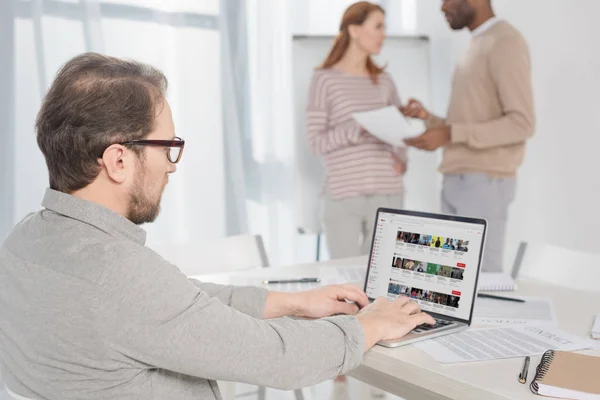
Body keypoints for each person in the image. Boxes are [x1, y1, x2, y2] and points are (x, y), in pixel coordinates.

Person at [0, 53, 435, 400]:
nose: (171, 168)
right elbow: (279, 359)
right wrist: (371, 324)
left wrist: (294, 303)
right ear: (118, 160)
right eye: (167, 147)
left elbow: (183, 303)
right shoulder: (119, 276)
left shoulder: (24, 242)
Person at [402, 0, 535, 272]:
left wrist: (450, 133)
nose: (441, 7)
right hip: (457, 179)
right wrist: (429, 119)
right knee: (448, 278)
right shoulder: (477, 44)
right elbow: (465, 125)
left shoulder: (505, 42)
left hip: (483, 182)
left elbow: (522, 123)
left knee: (480, 280)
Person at [306, 1, 407, 260]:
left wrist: (402, 158)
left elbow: (400, 134)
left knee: (383, 275)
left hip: (388, 193)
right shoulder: (324, 79)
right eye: (378, 26)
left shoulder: (385, 81)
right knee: (345, 279)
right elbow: (315, 142)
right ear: (354, 30)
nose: (384, 34)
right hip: (344, 194)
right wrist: (357, 127)